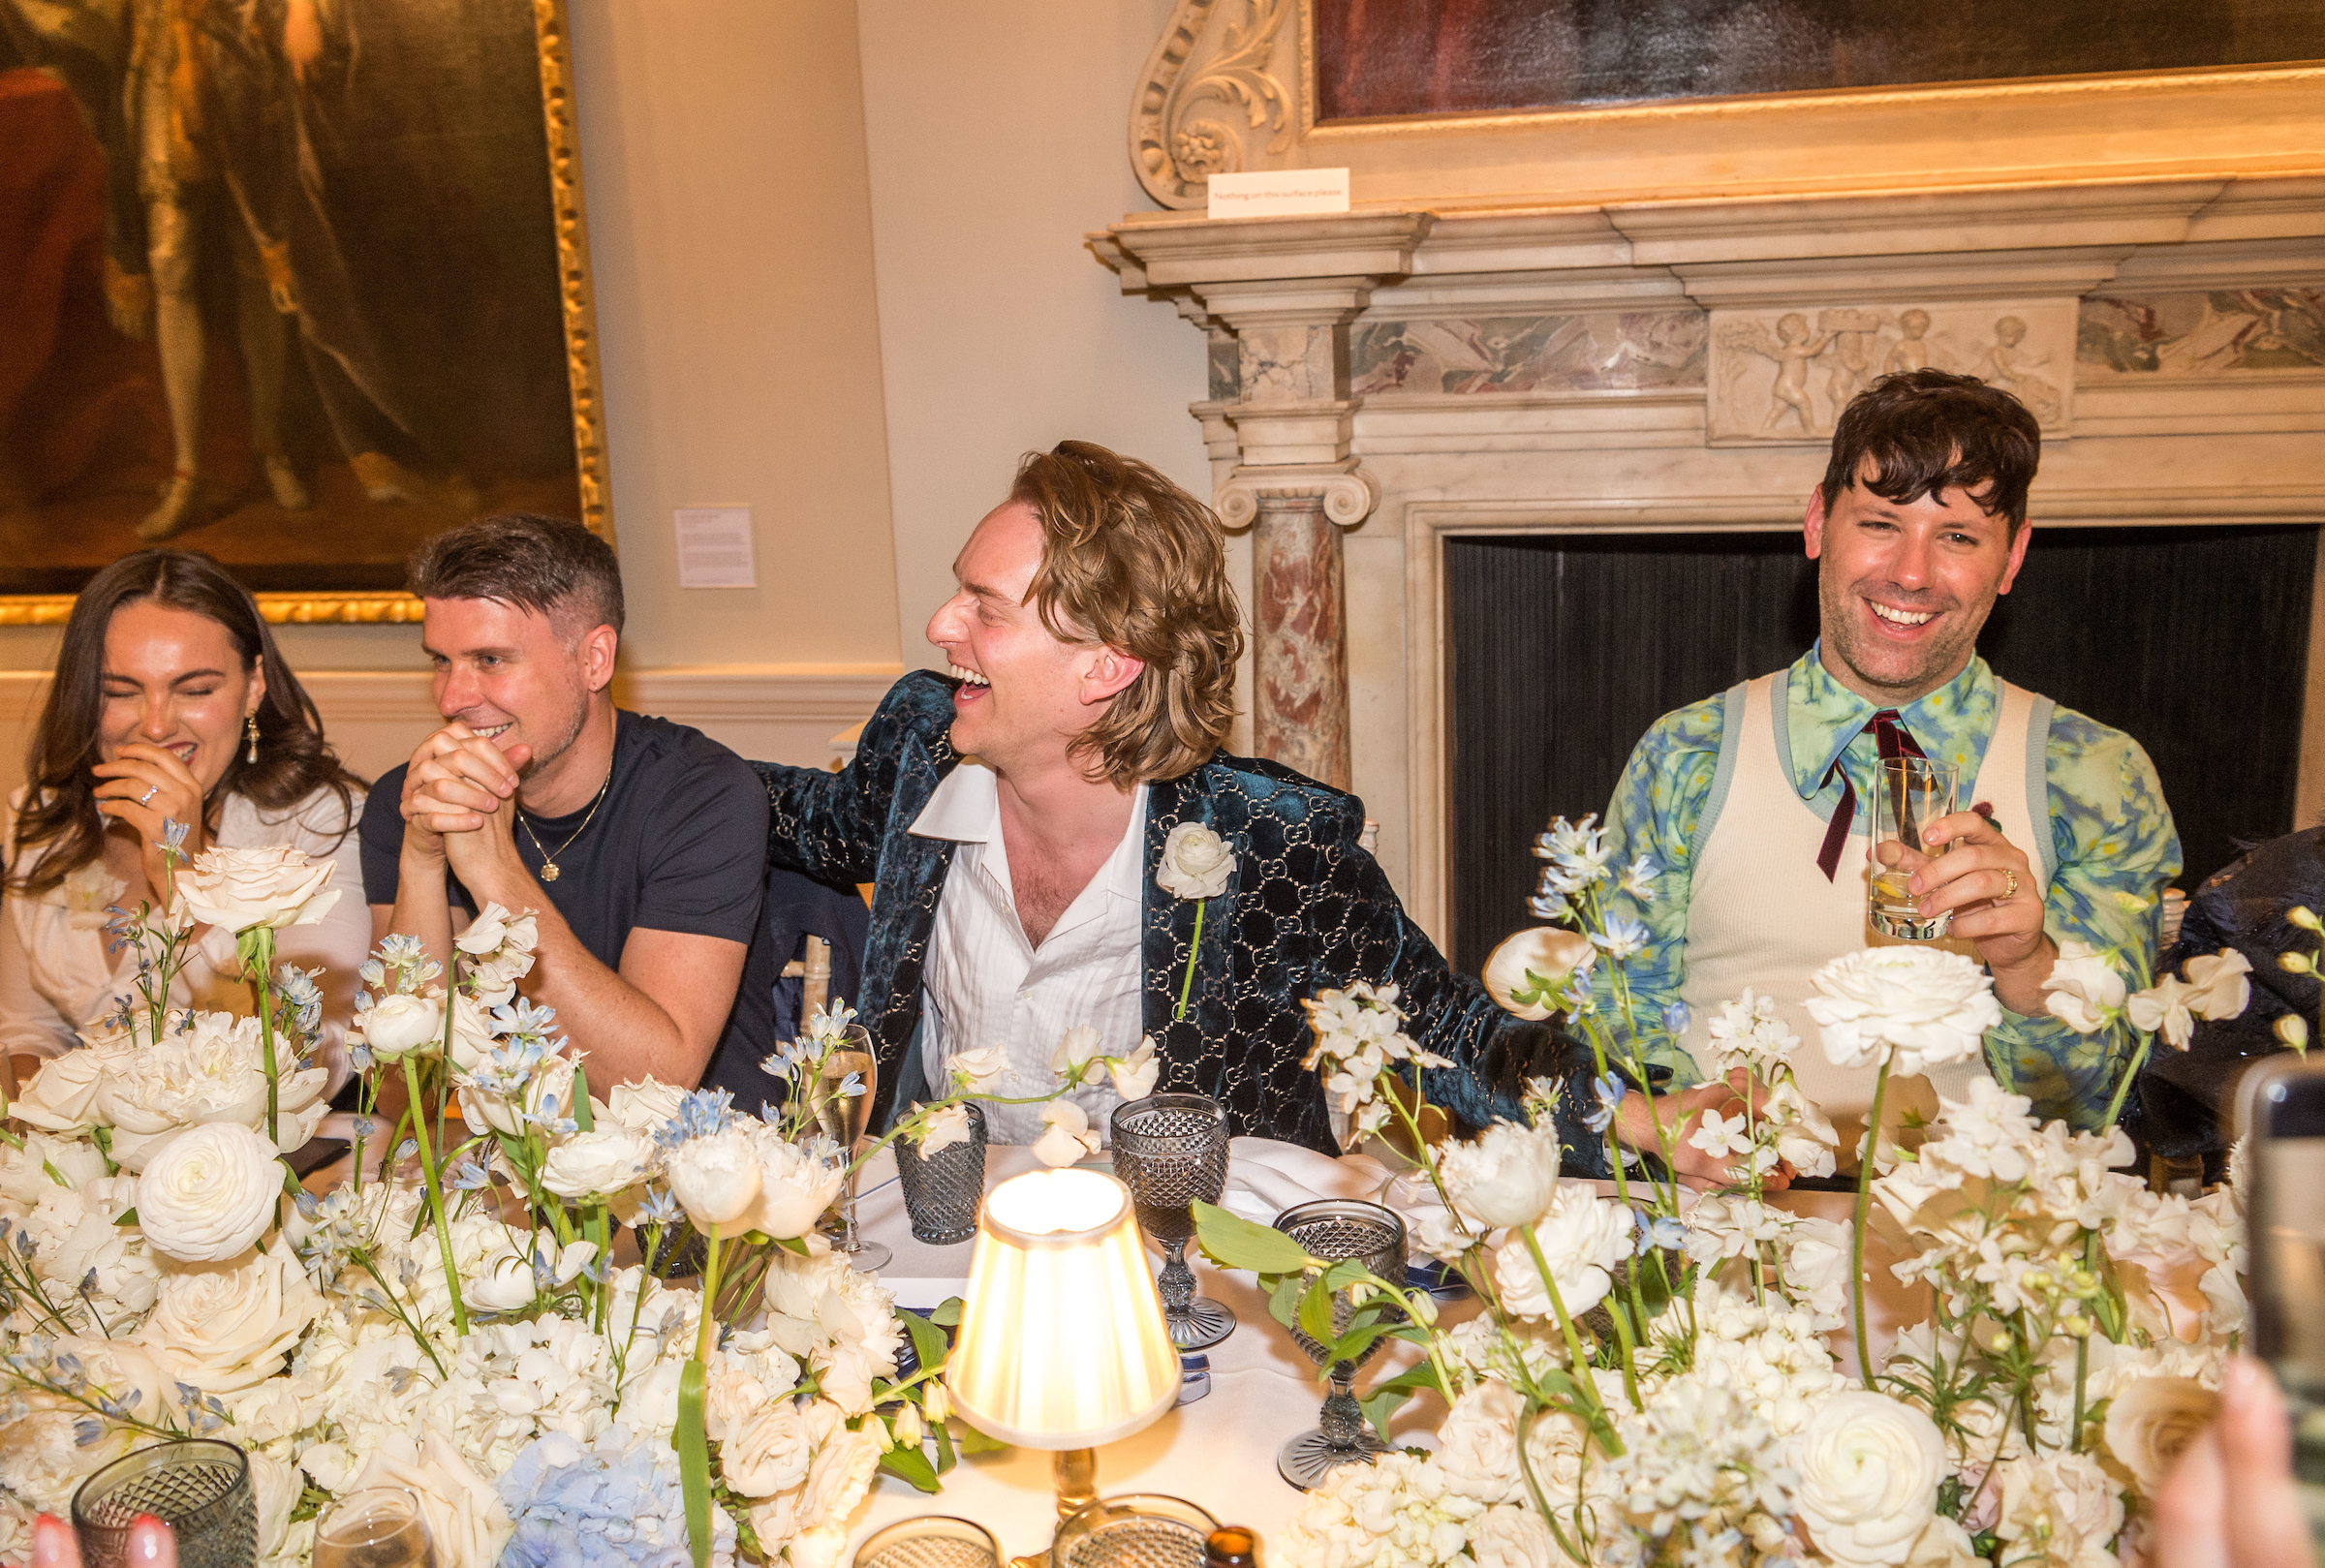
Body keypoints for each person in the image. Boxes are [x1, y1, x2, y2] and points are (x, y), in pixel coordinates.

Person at [751, 440, 1750, 1170]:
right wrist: (622, 754)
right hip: (947, 1231)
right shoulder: (920, 743)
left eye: (985, 607)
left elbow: (1440, 1029)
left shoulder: (1271, 841)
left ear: (1107, 665)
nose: (939, 626)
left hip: (1187, 1257)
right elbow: (796, 817)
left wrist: (1633, 1118)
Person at [1594, 370, 2180, 1146]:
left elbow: (2094, 1112)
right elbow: (1614, 1057)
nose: (1911, 573)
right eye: (1880, 523)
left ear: (2012, 558)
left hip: (1979, 1244)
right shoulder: (1684, 753)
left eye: (1959, 536)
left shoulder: (2097, 775)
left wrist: (2025, 961)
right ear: (1816, 524)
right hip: (1730, 1231)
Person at [358, 515, 776, 1098]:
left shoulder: (703, 797)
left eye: (491, 660)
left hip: (697, 1166)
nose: (452, 698)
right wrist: (424, 864)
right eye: (440, 661)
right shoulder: (408, 800)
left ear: (594, 660)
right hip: (508, 1167)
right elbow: (406, 1095)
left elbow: (655, 1085)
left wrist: (494, 872)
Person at [0, 550, 370, 1090]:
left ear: (253, 686)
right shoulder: (40, 817)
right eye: (119, 692)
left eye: (195, 690)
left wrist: (186, 874)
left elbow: (315, 1064)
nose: (154, 725)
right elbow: (30, 1028)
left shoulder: (319, 824)